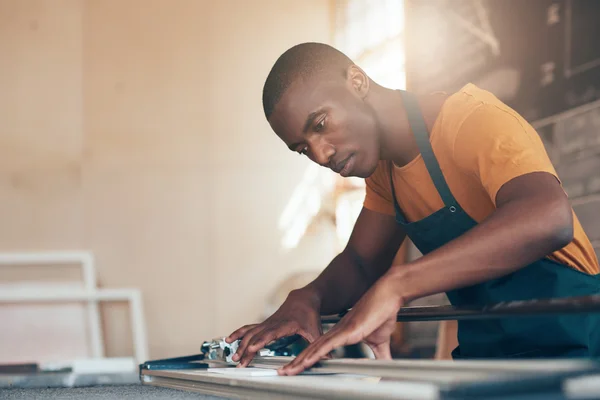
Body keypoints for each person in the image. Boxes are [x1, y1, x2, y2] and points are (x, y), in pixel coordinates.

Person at [226, 42, 600, 375]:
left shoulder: (470, 119)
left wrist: (398, 285)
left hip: (576, 347)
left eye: (321, 124)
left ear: (357, 82)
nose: (321, 154)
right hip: (488, 357)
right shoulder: (385, 175)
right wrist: (306, 298)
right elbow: (360, 262)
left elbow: (548, 217)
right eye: (303, 148)